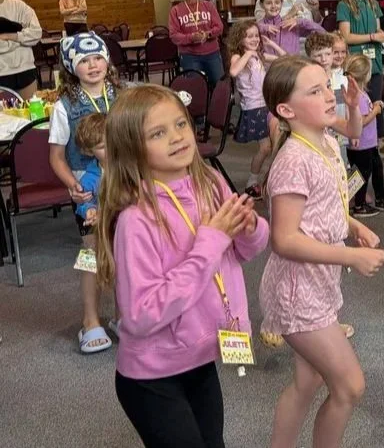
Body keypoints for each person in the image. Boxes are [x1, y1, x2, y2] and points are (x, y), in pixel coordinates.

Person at [95, 84, 269, 448]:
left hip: (199, 356)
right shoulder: (136, 219)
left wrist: (250, 229)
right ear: (132, 148)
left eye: (180, 124)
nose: (176, 137)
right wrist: (211, 241)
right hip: (152, 375)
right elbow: (141, 314)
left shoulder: (210, 182)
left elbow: (241, 254)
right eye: (158, 133)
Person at [259, 57, 384, 448]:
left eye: (326, 86)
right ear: (286, 110)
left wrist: (353, 225)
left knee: (308, 380)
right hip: (298, 290)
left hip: (317, 281)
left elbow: (352, 137)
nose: (328, 95)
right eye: (314, 91)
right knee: (349, 386)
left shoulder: (325, 139)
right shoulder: (293, 160)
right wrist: (352, 256)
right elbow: (284, 239)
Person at [47, 33, 123, 354]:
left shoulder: (121, 95)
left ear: (107, 60)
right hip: (87, 191)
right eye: (84, 61)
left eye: (98, 58)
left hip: (123, 184)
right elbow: (56, 156)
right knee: (91, 251)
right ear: (71, 67)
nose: (93, 65)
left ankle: (123, 316)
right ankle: (90, 320)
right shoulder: (64, 106)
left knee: (126, 247)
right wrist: (73, 186)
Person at [334, 0, 384, 160]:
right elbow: (346, 36)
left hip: (375, 59)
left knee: (375, 101)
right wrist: (372, 36)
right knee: (359, 103)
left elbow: (377, 29)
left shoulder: (371, 2)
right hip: (357, 62)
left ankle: (380, 141)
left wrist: (383, 34)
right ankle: (360, 143)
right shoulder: (344, 5)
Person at [227, 19, 283, 199]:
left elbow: (284, 57)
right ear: (240, 39)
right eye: (249, 36)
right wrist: (249, 53)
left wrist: (271, 44)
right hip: (253, 108)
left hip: (266, 105)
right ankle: (252, 182)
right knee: (266, 148)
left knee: (275, 144)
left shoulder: (258, 55)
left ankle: (270, 179)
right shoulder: (238, 57)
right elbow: (234, 72)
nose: (254, 39)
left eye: (256, 35)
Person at [343, 53, 384, 217]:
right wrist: (376, 111)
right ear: (366, 75)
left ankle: (378, 198)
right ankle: (358, 205)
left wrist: (373, 106)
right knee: (361, 174)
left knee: (374, 168)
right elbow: (361, 122)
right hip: (362, 144)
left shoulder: (359, 93)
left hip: (369, 143)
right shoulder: (357, 96)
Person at [168, 0, 225, 86]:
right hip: (190, 56)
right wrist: (192, 38)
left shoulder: (208, 6)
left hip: (212, 53)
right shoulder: (175, 10)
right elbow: (174, 35)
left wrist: (207, 34)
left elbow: (219, 27)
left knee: (219, 84)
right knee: (195, 87)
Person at [0, 0, 44, 100]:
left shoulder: (19, 6)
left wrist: (12, 36)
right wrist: (21, 40)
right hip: (2, 73)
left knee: (32, 110)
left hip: (26, 70)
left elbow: (36, 33)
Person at [258, 0, 326, 56]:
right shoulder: (258, 27)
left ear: (281, 3)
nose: (273, 6)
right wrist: (264, 28)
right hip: (269, 63)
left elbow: (322, 32)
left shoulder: (291, 25)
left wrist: (300, 21)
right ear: (261, 5)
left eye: (277, 2)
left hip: (293, 62)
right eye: (269, 3)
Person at [74, 113, 107, 231]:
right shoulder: (89, 180)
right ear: (89, 151)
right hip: (108, 228)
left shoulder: (131, 166)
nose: (111, 148)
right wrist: (90, 210)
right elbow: (83, 204)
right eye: (103, 147)